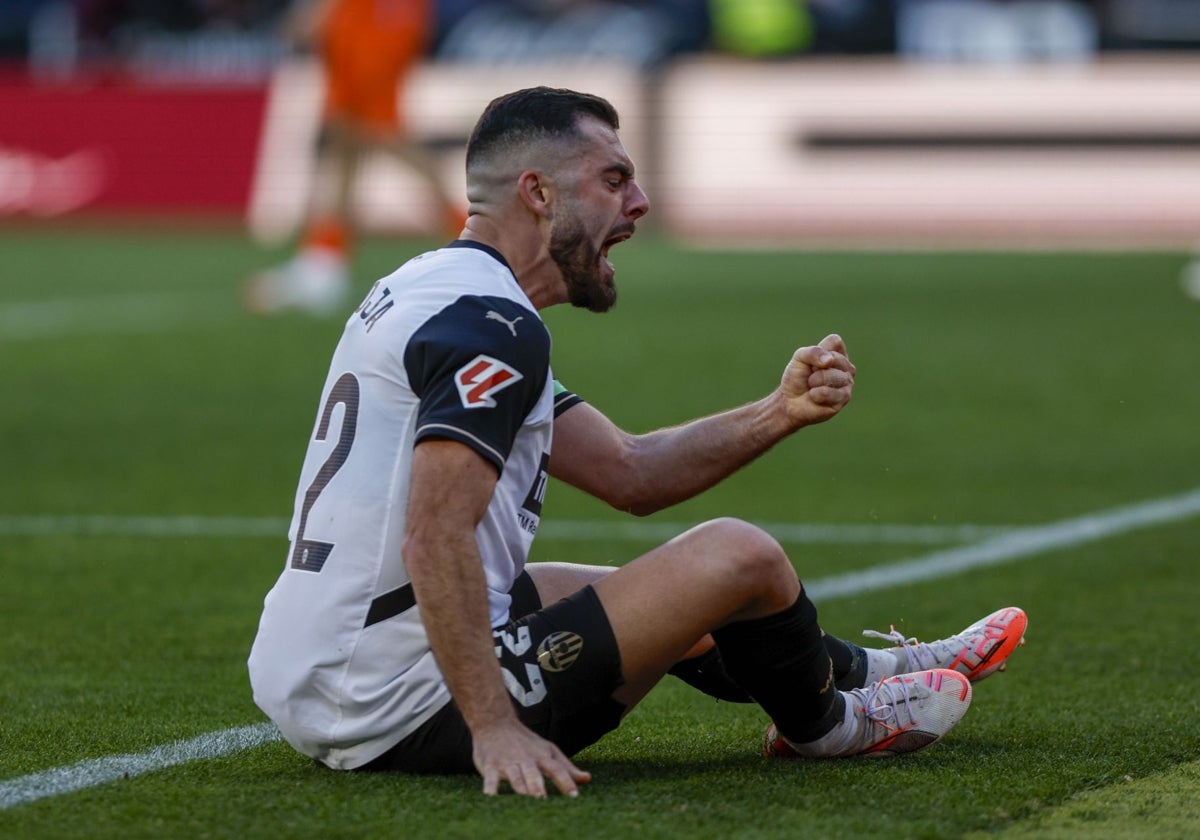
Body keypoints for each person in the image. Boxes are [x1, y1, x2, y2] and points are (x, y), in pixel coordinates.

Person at [247, 86, 1028, 798]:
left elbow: (631, 473)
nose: (641, 201)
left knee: (628, 588)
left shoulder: (431, 289)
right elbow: (434, 533)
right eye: (615, 180)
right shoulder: (496, 329)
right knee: (740, 555)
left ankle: (878, 669)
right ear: (538, 193)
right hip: (394, 703)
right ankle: (828, 727)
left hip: (320, 667)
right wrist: (493, 727)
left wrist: (777, 411)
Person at [244, 0, 464, 316]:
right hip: (360, 24)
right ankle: (324, 264)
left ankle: (324, 266)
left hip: (376, 22)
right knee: (349, 145)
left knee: (374, 133)